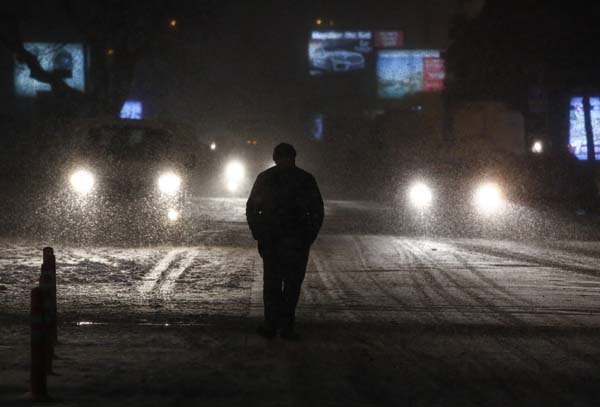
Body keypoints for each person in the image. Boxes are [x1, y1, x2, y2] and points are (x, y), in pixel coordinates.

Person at [246, 143, 324, 340]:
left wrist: (259, 233)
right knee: (291, 285)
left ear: (275, 158)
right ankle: (285, 327)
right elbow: (317, 211)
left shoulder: (266, 179)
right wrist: (308, 236)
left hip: (274, 240)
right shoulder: (305, 179)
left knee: (273, 284)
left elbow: (252, 209)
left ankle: (272, 325)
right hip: (295, 242)